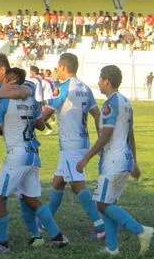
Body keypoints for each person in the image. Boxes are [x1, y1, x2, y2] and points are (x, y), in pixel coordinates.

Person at [0, 68, 69, 252]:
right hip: (33, 153)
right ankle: (57, 236)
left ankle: (2, 243)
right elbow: (40, 125)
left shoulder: (4, 101)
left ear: (8, 80)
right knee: (32, 199)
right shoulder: (32, 100)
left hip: (17, 154)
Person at [76, 65, 154, 256]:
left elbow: (106, 136)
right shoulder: (126, 102)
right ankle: (112, 248)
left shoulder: (110, 104)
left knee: (101, 204)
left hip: (114, 161)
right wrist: (134, 161)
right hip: (125, 160)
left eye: (100, 79)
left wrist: (86, 158)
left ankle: (141, 230)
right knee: (108, 203)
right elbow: (131, 135)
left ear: (107, 81)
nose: (98, 83)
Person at [40, 53, 106, 239]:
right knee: (58, 182)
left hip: (70, 145)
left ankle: (100, 227)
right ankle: (46, 221)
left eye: (57, 67)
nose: (56, 70)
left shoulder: (63, 88)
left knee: (78, 185)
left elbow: (46, 114)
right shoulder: (85, 88)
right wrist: (100, 140)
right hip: (82, 142)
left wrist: (29, 122)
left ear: (63, 67)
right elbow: (97, 115)